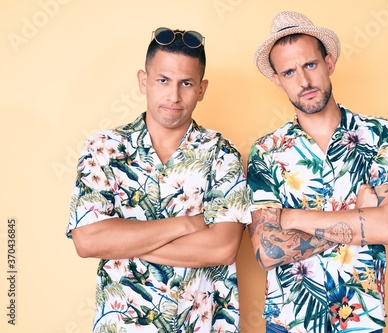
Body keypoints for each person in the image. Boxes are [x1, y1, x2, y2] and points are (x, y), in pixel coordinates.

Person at [66, 27, 250, 333]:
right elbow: (87, 241)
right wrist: (187, 225)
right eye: (163, 80)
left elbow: (221, 249)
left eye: (186, 83)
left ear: (202, 89)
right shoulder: (103, 148)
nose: (173, 96)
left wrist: (122, 242)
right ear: (143, 81)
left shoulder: (222, 153)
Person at [246, 11, 388, 333]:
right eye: (289, 72)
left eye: (310, 65)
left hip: (361, 318)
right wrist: (360, 217)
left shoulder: (382, 135)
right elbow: (267, 250)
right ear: (278, 81)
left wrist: (292, 218)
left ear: (329, 62)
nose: (304, 81)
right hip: (288, 322)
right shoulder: (266, 151)